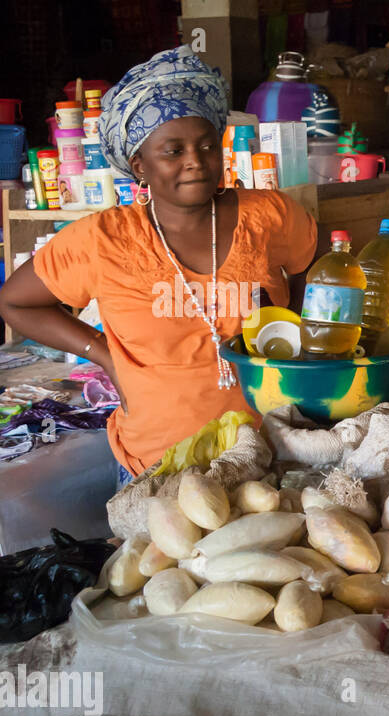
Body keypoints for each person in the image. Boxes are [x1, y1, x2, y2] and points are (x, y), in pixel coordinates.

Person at [0, 46, 318, 480]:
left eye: (207, 146)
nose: (195, 161)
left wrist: (295, 339)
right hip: (158, 464)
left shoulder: (268, 216)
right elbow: (15, 303)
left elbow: (313, 273)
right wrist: (105, 356)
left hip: (274, 453)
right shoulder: (103, 239)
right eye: (173, 151)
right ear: (139, 165)